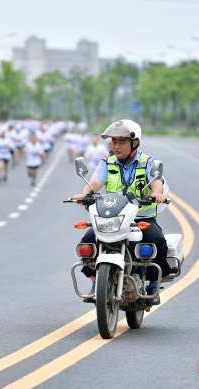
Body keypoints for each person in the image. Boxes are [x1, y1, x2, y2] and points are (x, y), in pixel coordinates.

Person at [71, 119, 171, 306]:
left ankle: (153, 284)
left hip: (142, 219)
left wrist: (157, 193)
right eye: (113, 142)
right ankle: (95, 283)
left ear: (134, 143)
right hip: (113, 219)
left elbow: (156, 181)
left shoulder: (148, 163)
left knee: (157, 243)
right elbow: (94, 183)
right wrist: (84, 194)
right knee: (87, 243)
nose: (115, 146)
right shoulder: (106, 164)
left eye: (121, 142)